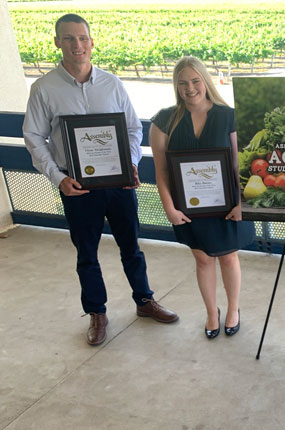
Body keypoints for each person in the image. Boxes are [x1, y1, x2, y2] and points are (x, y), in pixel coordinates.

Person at [22, 14, 178, 346]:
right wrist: (58, 178)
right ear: (56, 42)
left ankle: (144, 301)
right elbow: (34, 138)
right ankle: (97, 312)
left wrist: (132, 163)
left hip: (119, 185)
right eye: (68, 38)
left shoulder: (113, 84)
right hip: (76, 189)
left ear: (92, 42)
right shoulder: (44, 89)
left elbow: (134, 129)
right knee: (87, 254)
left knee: (131, 247)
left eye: (82, 38)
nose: (76, 45)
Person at [150, 56, 252, 339]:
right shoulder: (164, 121)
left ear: (205, 82)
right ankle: (211, 312)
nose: (190, 88)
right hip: (189, 206)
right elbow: (161, 173)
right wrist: (169, 208)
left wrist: (241, 203)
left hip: (226, 203)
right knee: (203, 260)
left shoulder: (228, 116)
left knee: (229, 258)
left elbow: (238, 165)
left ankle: (233, 309)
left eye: (195, 81)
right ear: (176, 86)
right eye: (183, 83)